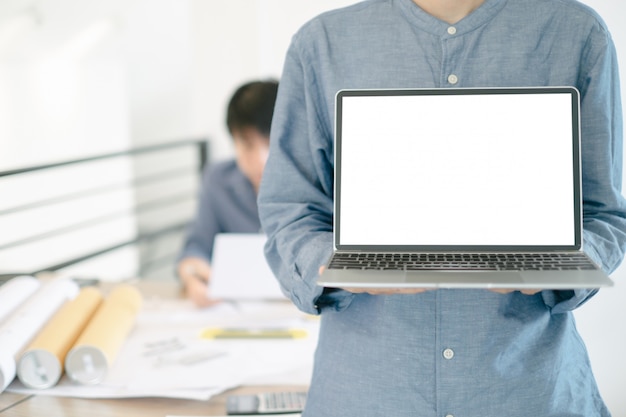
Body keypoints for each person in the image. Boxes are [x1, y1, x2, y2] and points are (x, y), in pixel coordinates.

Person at [257, 1, 626, 416]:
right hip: (366, 393)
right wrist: (337, 264)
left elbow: (605, 214)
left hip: (530, 393)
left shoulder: (577, 32)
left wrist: (564, 263)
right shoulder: (320, 43)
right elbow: (289, 210)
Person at [178, 80, 278, 307]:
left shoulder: (319, 182)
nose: (261, 160)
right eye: (248, 145)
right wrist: (192, 276)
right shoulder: (217, 179)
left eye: (270, 143)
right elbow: (196, 247)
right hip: (235, 308)